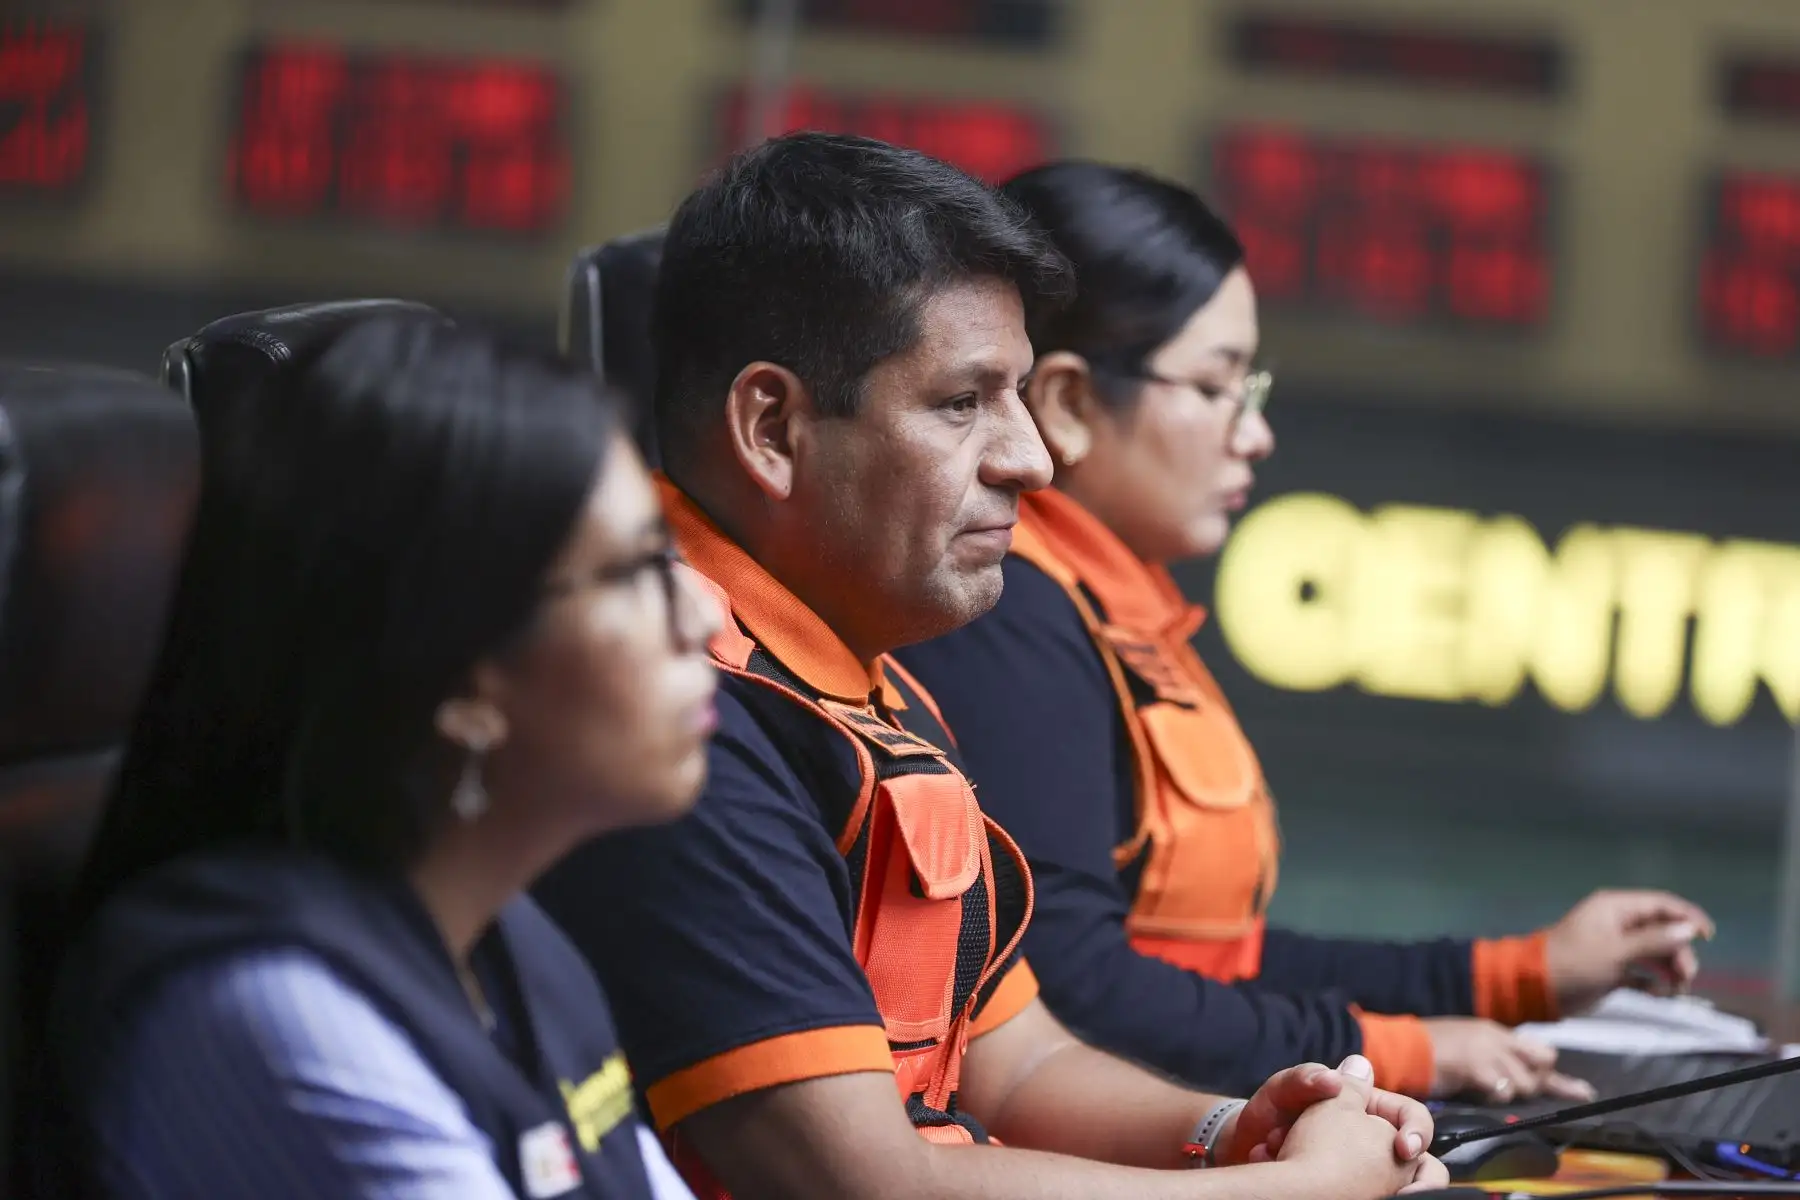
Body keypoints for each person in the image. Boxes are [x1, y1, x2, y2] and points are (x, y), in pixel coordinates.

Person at [534, 132, 1446, 1200]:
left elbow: (1022, 1066)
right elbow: (865, 1186)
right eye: (963, 402)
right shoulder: (682, 722)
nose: (1033, 458)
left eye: (1016, 395)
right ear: (772, 428)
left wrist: (1232, 1133)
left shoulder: (870, 686)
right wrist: (1297, 1193)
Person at [893, 160, 1715, 1104]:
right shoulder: (1012, 617)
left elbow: (1215, 963)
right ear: (1073, 405)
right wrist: (1390, 1052)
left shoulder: (1104, 609)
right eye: (1218, 387)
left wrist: (1513, 975)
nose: (1256, 434)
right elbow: (1074, 990)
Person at [48, 316, 721, 1198]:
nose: (703, 616)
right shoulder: (278, 1009)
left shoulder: (513, 943)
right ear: (460, 674)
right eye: (636, 571)